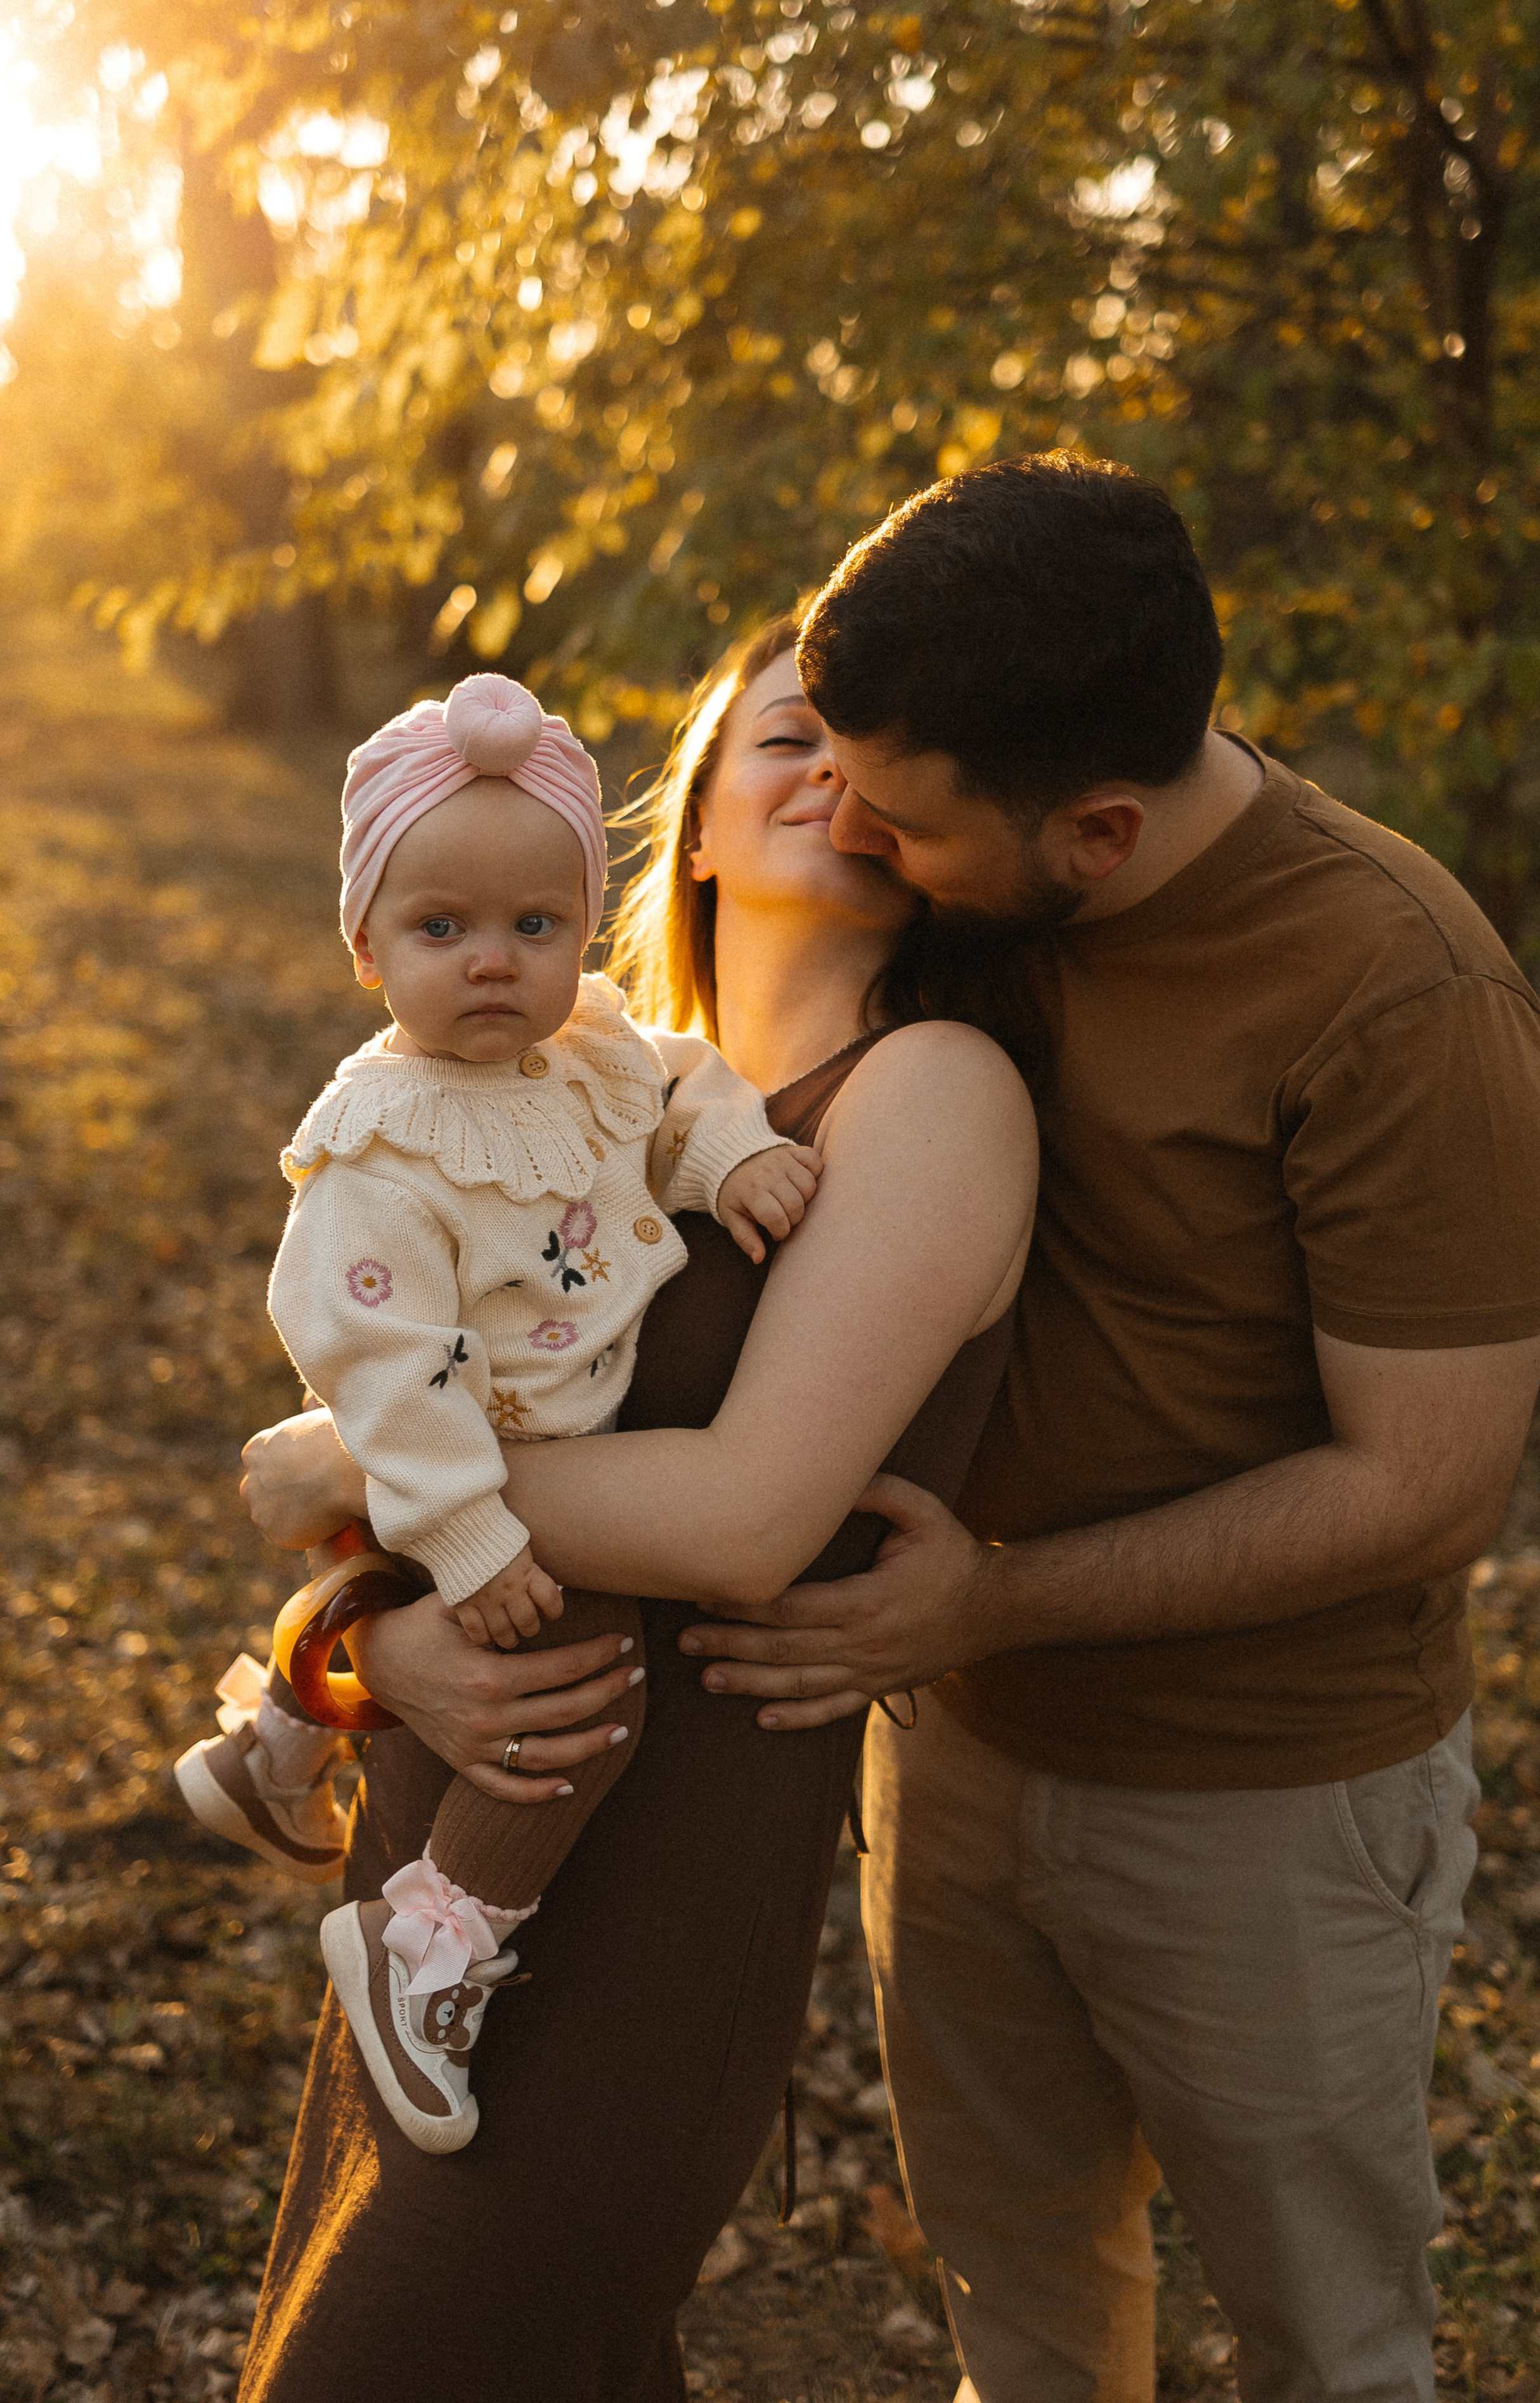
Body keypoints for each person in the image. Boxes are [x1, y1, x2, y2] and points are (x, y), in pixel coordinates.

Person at [675, 455, 1540, 2402]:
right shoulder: (981, 852)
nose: (859, 835)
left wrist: (991, 1599)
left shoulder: (1402, 999)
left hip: (1260, 1793)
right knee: (1020, 2299)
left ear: (1096, 828)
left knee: (1322, 2336)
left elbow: (1426, 1485)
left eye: (901, 821)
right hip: (957, 1740)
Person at [234, 618, 1039, 2401]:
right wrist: (354, 1633)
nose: (833, 772)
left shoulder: (928, 1090)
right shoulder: (570, 1090)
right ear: (692, 823)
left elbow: (740, 1517)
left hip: (664, 1870)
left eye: (871, 743)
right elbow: (406, 1371)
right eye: (785, 739)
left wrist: (356, 1471)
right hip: (455, 1869)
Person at [179, 668, 822, 2155]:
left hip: (545, 1440)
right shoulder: (380, 1141)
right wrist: (465, 1526)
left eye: (535, 926)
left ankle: (273, 1745)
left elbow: (681, 1083)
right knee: (579, 1696)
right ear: (364, 944)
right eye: (440, 928)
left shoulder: (593, 1046)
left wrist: (727, 1159)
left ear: (582, 932)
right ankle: (428, 1947)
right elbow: (379, 1362)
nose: (492, 962)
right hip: (469, 1454)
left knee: (443, 1596)